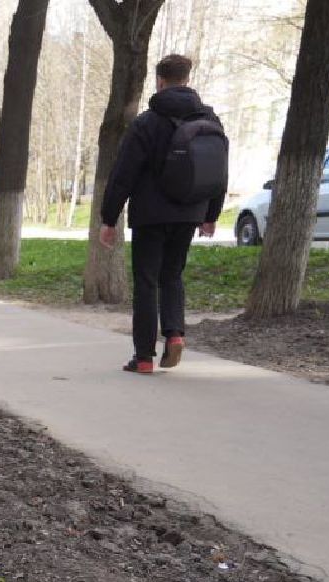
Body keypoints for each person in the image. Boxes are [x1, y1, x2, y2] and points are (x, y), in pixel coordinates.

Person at [99, 53, 228, 374]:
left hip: (150, 215)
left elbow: (123, 174)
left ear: (159, 81)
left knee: (146, 281)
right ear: (187, 79)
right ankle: (175, 334)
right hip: (189, 211)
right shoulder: (210, 120)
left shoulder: (146, 122)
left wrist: (108, 217)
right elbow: (219, 171)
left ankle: (143, 357)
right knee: (172, 275)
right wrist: (211, 213)